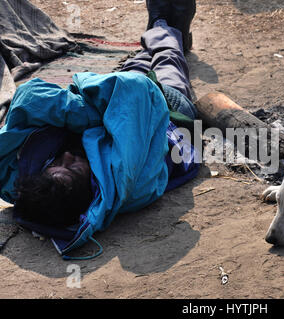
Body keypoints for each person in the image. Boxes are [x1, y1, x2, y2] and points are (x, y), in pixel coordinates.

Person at [0, 0, 198, 256]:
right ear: (90, 186)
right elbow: (138, 92)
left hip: (116, 103)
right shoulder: (125, 181)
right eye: (72, 169)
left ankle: (157, 30)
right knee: (167, 63)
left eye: (54, 166)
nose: (67, 157)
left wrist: (83, 115)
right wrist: (94, 113)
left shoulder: (24, 177)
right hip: (170, 121)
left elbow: (28, 96)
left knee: (135, 65)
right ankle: (168, 27)